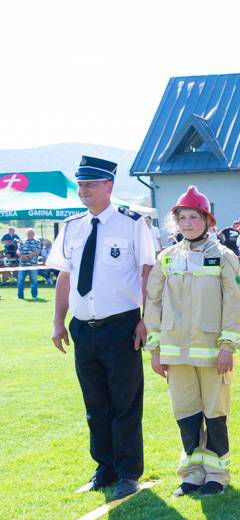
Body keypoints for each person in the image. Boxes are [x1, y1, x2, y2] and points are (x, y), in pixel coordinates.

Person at [46, 155, 155, 499]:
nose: (83, 191)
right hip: (83, 328)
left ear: (109, 186)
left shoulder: (133, 223)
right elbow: (65, 276)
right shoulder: (72, 226)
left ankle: (127, 473)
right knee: (95, 404)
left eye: (90, 184)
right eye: (80, 185)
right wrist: (58, 322)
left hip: (121, 326)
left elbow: (148, 272)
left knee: (125, 403)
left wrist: (145, 319)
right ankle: (104, 469)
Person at [144, 186, 240, 497]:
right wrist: (155, 349)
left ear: (207, 220)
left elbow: (235, 304)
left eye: (194, 217)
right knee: (186, 415)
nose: (188, 223)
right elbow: (153, 303)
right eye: (182, 218)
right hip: (176, 354)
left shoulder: (224, 257)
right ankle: (191, 474)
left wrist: (228, 346)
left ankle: (217, 475)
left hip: (214, 353)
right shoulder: (166, 259)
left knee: (215, 414)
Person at [16, 228, 42, 299]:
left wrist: (28, 256)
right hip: (22, 264)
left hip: (33, 264)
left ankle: (34, 296)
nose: (30, 235)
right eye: (28, 233)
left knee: (34, 281)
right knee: (20, 280)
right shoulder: (22, 241)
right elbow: (18, 250)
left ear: (34, 234)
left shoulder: (37, 241)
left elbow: (37, 251)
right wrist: (21, 256)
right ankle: (20, 296)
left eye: (31, 233)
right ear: (26, 234)